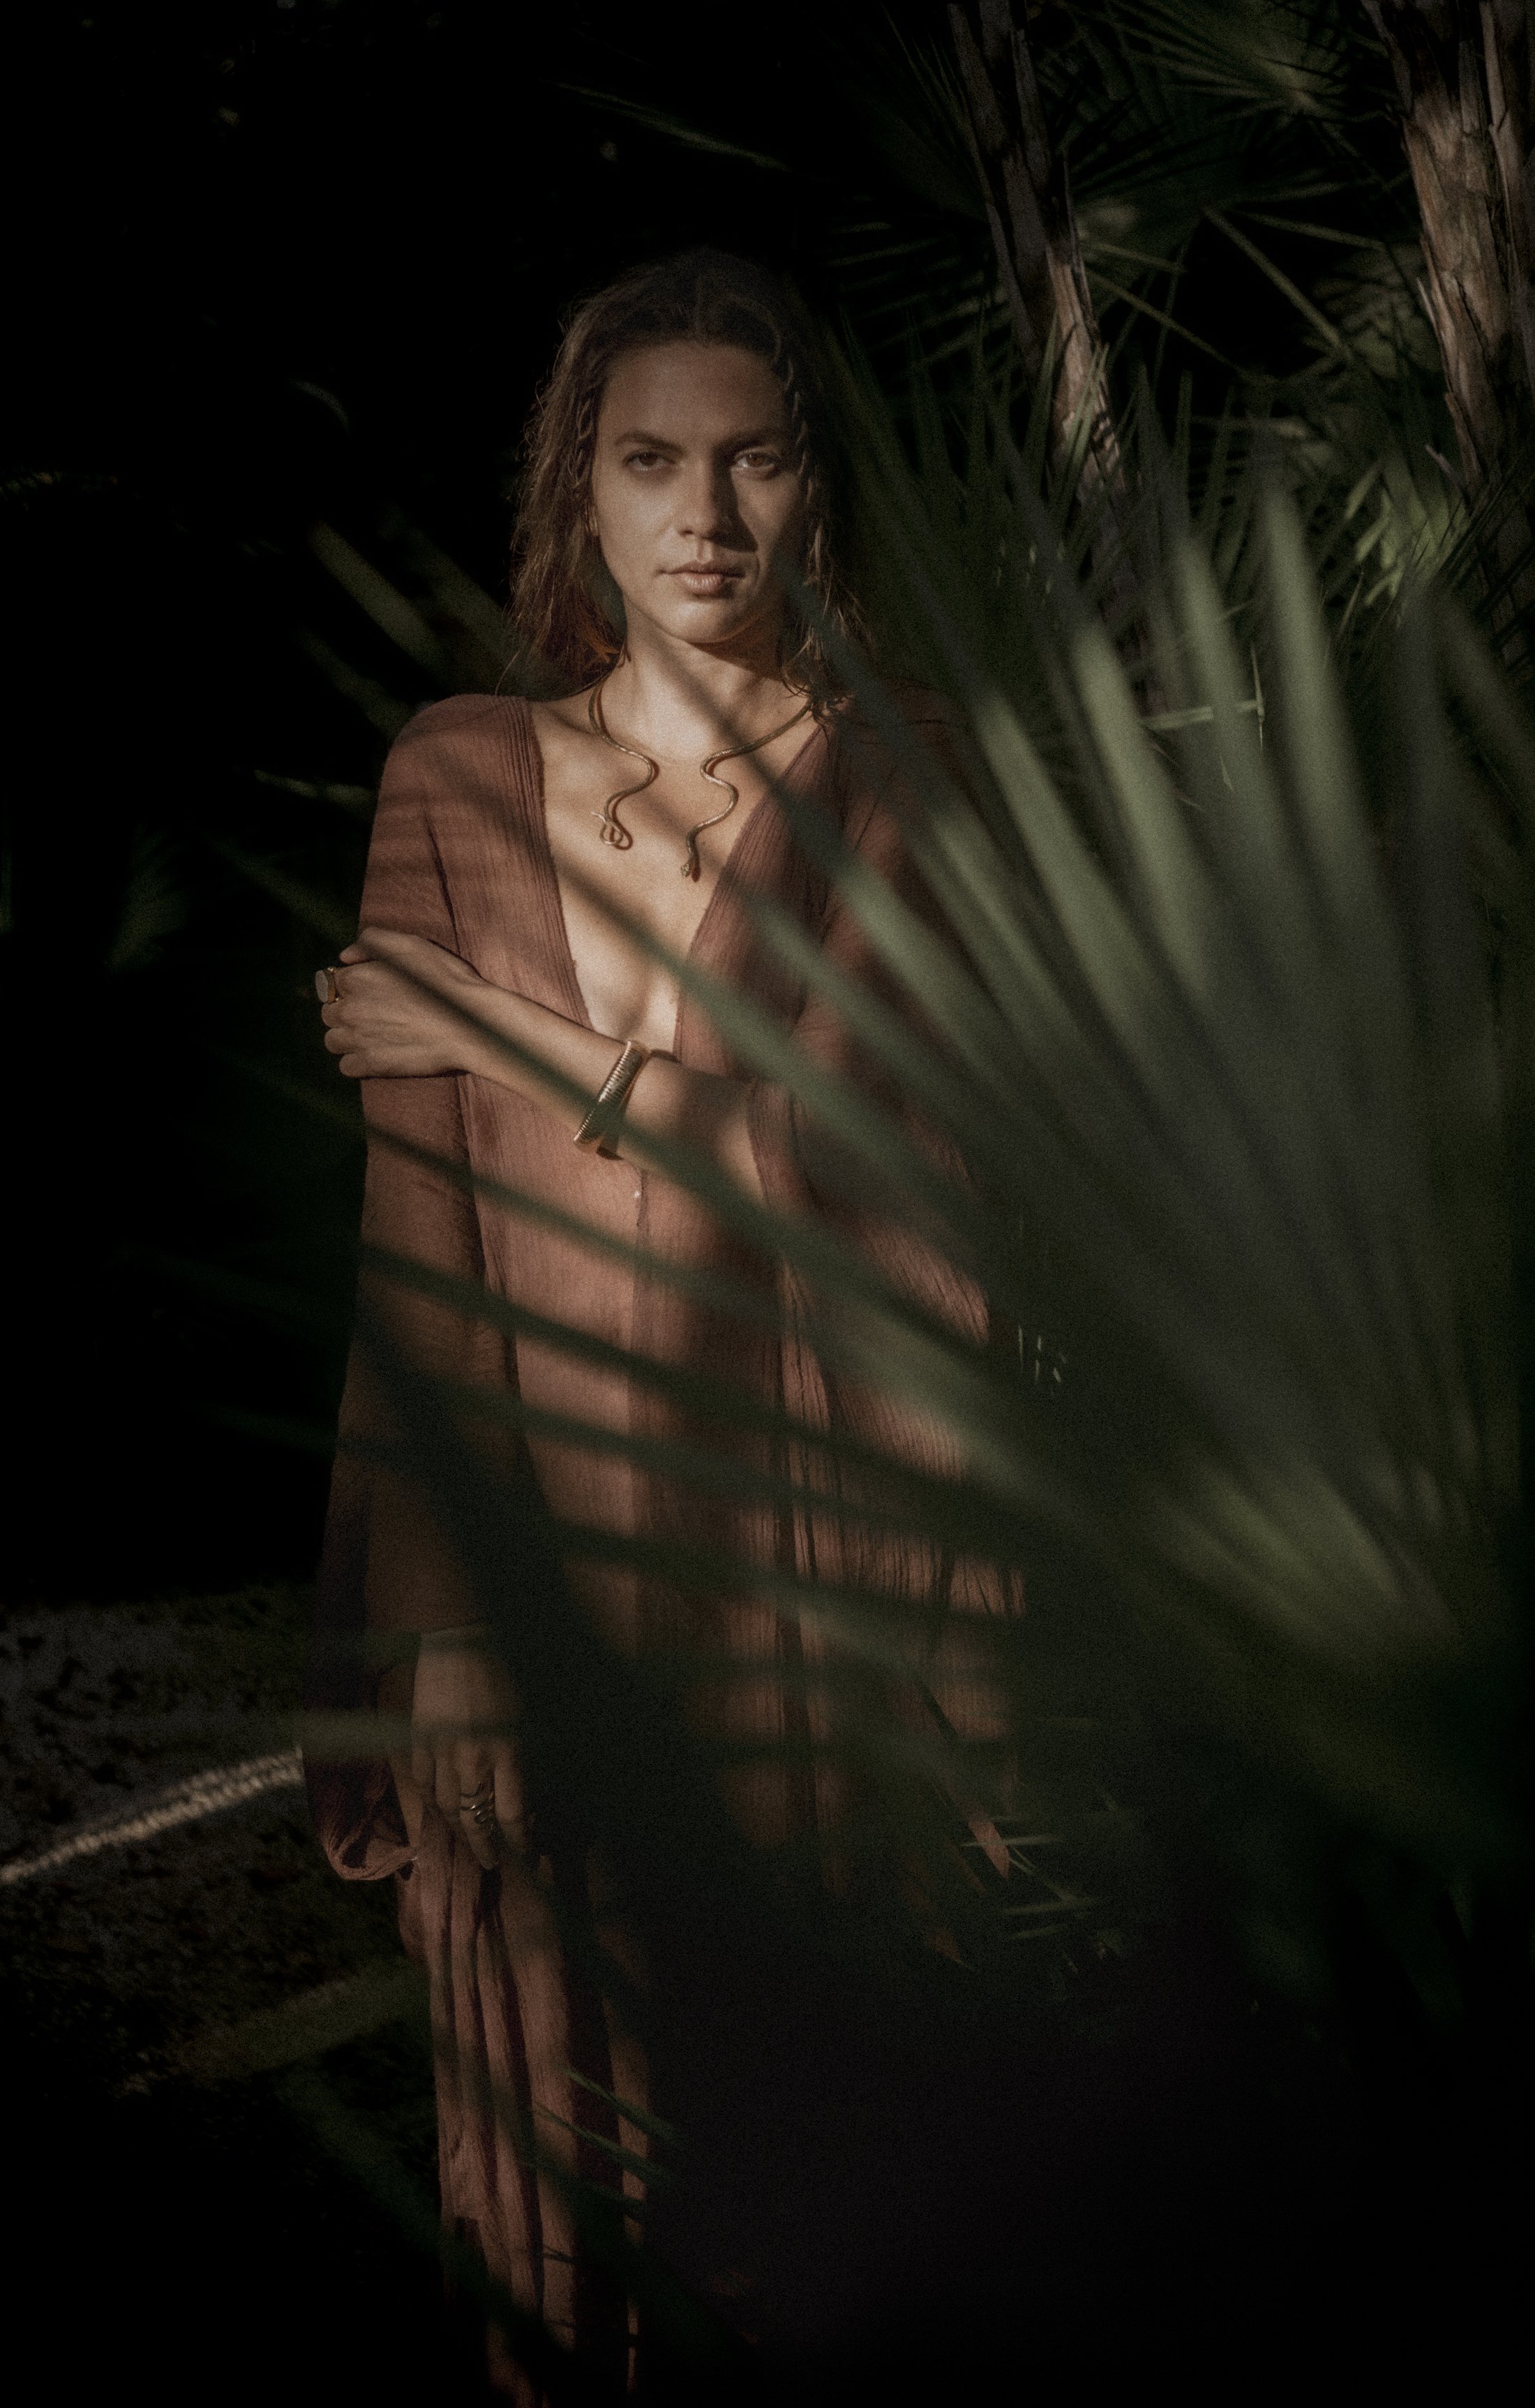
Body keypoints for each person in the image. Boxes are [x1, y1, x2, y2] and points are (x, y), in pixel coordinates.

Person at [303, 251, 1001, 2400]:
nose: (704, 512)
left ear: (816, 491)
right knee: (557, 2200)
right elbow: (423, 1245)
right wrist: (447, 1621)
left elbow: (887, 1180)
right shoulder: (456, 777)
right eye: (648, 462)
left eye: (753, 460)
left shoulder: (907, 775)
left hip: (821, 1586)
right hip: (540, 1575)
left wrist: (506, 1034)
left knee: (830, 2207)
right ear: (578, 493)